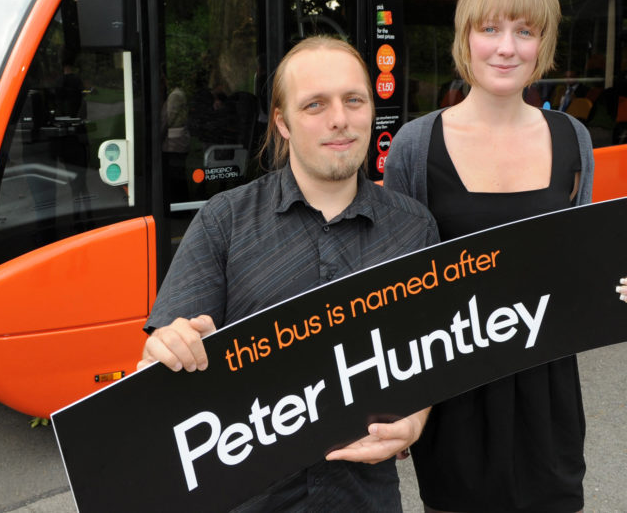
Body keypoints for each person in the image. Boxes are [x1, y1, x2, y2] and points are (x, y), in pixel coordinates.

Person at [383, 0, 627, 513]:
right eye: (489, 29)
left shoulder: (572, 138)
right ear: (465, 38)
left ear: (543, 45)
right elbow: (396, 286)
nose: (506, 48)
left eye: (524, 32)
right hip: (454, 392)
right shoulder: (417, 144)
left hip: (547, 392)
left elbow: (576, 268)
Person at [140, 36, 439, 511]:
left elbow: (433, 355)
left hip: (365, 499)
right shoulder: (224, 221)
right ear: (282, 121)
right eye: (315, 104)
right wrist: (165, 349)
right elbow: (163, 356)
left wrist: (416, 421)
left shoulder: (415, 228)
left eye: (353, 100)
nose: (338, 118)